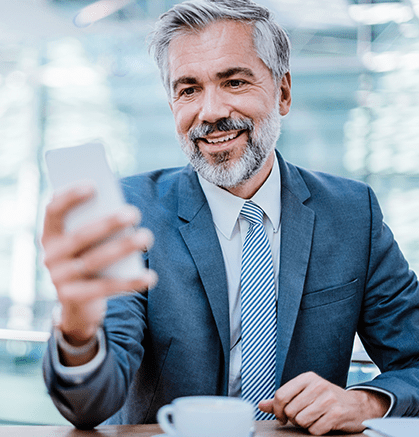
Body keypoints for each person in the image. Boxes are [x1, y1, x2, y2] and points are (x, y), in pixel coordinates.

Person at [41, 0, 419, 435]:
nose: (211, 111)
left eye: (234, 81)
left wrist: (365, 402)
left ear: (283, 93)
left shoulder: (352, 213)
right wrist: (77, 325)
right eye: (188, 89)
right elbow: (90, 405)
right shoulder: (130, 211)